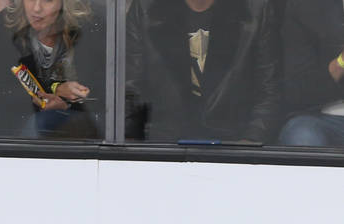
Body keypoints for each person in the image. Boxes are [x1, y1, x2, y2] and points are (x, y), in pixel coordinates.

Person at [124, 0, 280, 144]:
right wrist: (133, 148)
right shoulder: (146, 10)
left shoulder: (255, 11)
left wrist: (250, 140)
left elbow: (269, 90)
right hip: (162, 144)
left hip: (233, 144)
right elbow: (128, 89)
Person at [0, 0, 105, 139]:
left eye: (47, 0)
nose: (37, 8)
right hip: (21, 119)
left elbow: (101, 89)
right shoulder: (7, 23)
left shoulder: (89, 23)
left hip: (81, 119)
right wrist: (52, 91)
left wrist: (68, 102)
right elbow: (2, 88)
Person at [277, 0, 344, 148]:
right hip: (325, 117)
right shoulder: (307, 7)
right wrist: (340, 63)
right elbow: (297, 90)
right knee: (302, 136)